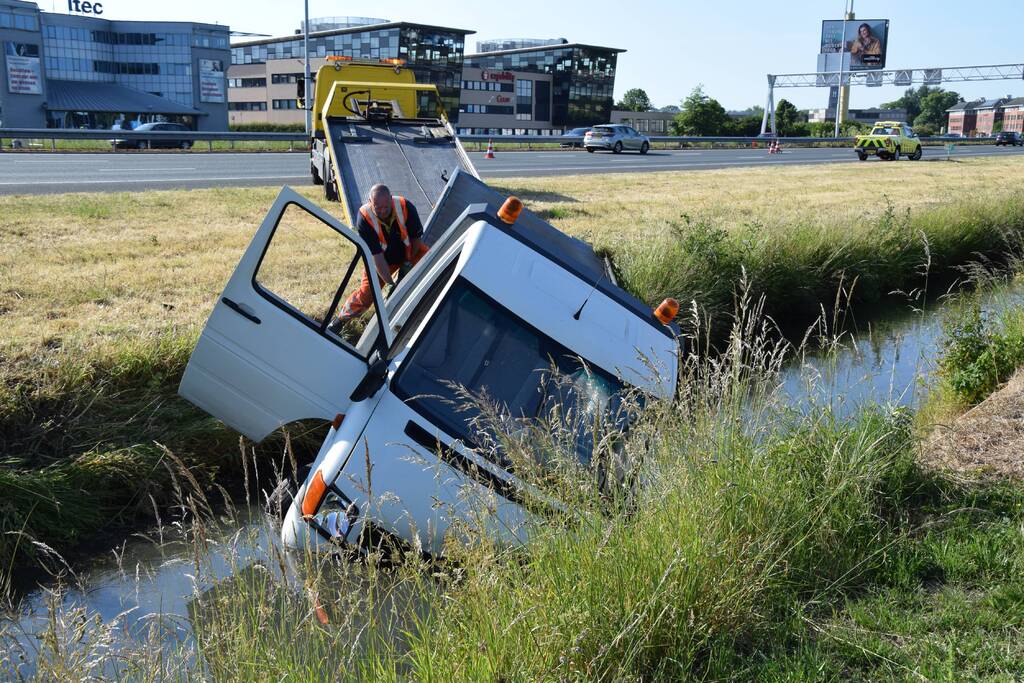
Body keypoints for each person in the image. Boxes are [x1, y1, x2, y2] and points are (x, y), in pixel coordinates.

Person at [329, 184, 428, 330]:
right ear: (370, 201)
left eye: (386, 207)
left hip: (411, 252)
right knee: (367, 294)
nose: (382, 211)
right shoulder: (364, 218)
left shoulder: (405, 206)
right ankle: (339, 322)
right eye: (377, 207)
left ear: (390, 199)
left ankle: (425, 313)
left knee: (430, 268)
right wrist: (390, 283)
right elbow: (377, 256)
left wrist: (408, 264)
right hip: (383, 261)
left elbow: (416, 239)